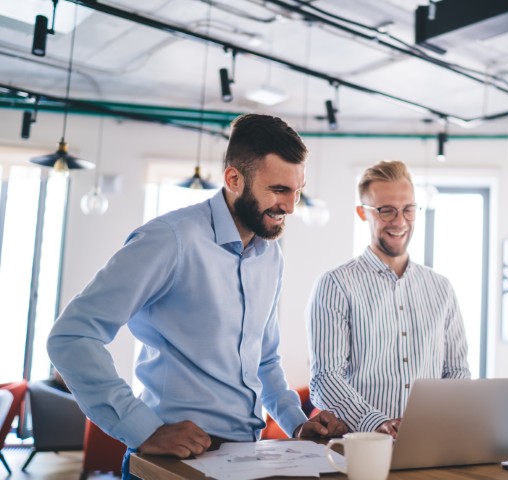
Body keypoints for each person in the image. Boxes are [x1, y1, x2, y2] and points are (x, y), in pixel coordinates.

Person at [47, 114, 346, 479]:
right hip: (172, 463)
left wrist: (296, 424)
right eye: (279, 190)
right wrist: (143, 429)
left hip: (245, 459)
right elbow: (72, 336)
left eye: (297, 191)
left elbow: (264, 360)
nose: (290, 206)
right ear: (234, 179)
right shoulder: (170, 239)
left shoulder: (270, 255)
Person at [306, 160, 470, 437]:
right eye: (386, 211)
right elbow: (325, 379)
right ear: (363, 213)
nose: (399, 221)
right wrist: (376, 422)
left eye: (408, 210)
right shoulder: (335, 285)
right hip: (360, 447)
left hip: (428, 443)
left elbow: (457, 372)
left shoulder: (442, 288)